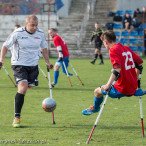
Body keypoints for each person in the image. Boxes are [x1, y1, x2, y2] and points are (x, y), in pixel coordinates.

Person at [0, 15, 53, 127]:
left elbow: (43, 49)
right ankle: (17, 117)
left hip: (33, 66)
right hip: (19, 65)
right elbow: (5, 46)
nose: (34, 27)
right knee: (23, 88)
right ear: (26, 23)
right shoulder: (18, 33)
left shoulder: (40, 34)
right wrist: (1, 60)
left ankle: (30, 82)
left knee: (29, 85)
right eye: (32, 25)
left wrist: (48, 63)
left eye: (36, 25)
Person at [82, 30, 146, 115]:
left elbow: (117, 69)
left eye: (104, 44)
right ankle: (135, 90)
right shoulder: (126, 48)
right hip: (132, 88)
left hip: (122, 89)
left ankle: (95, 108)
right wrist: (135, 82)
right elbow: (139, 63)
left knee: (97, 91)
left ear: (106, 42)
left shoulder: (113, 50)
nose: (104, 46)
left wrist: (107, 85)